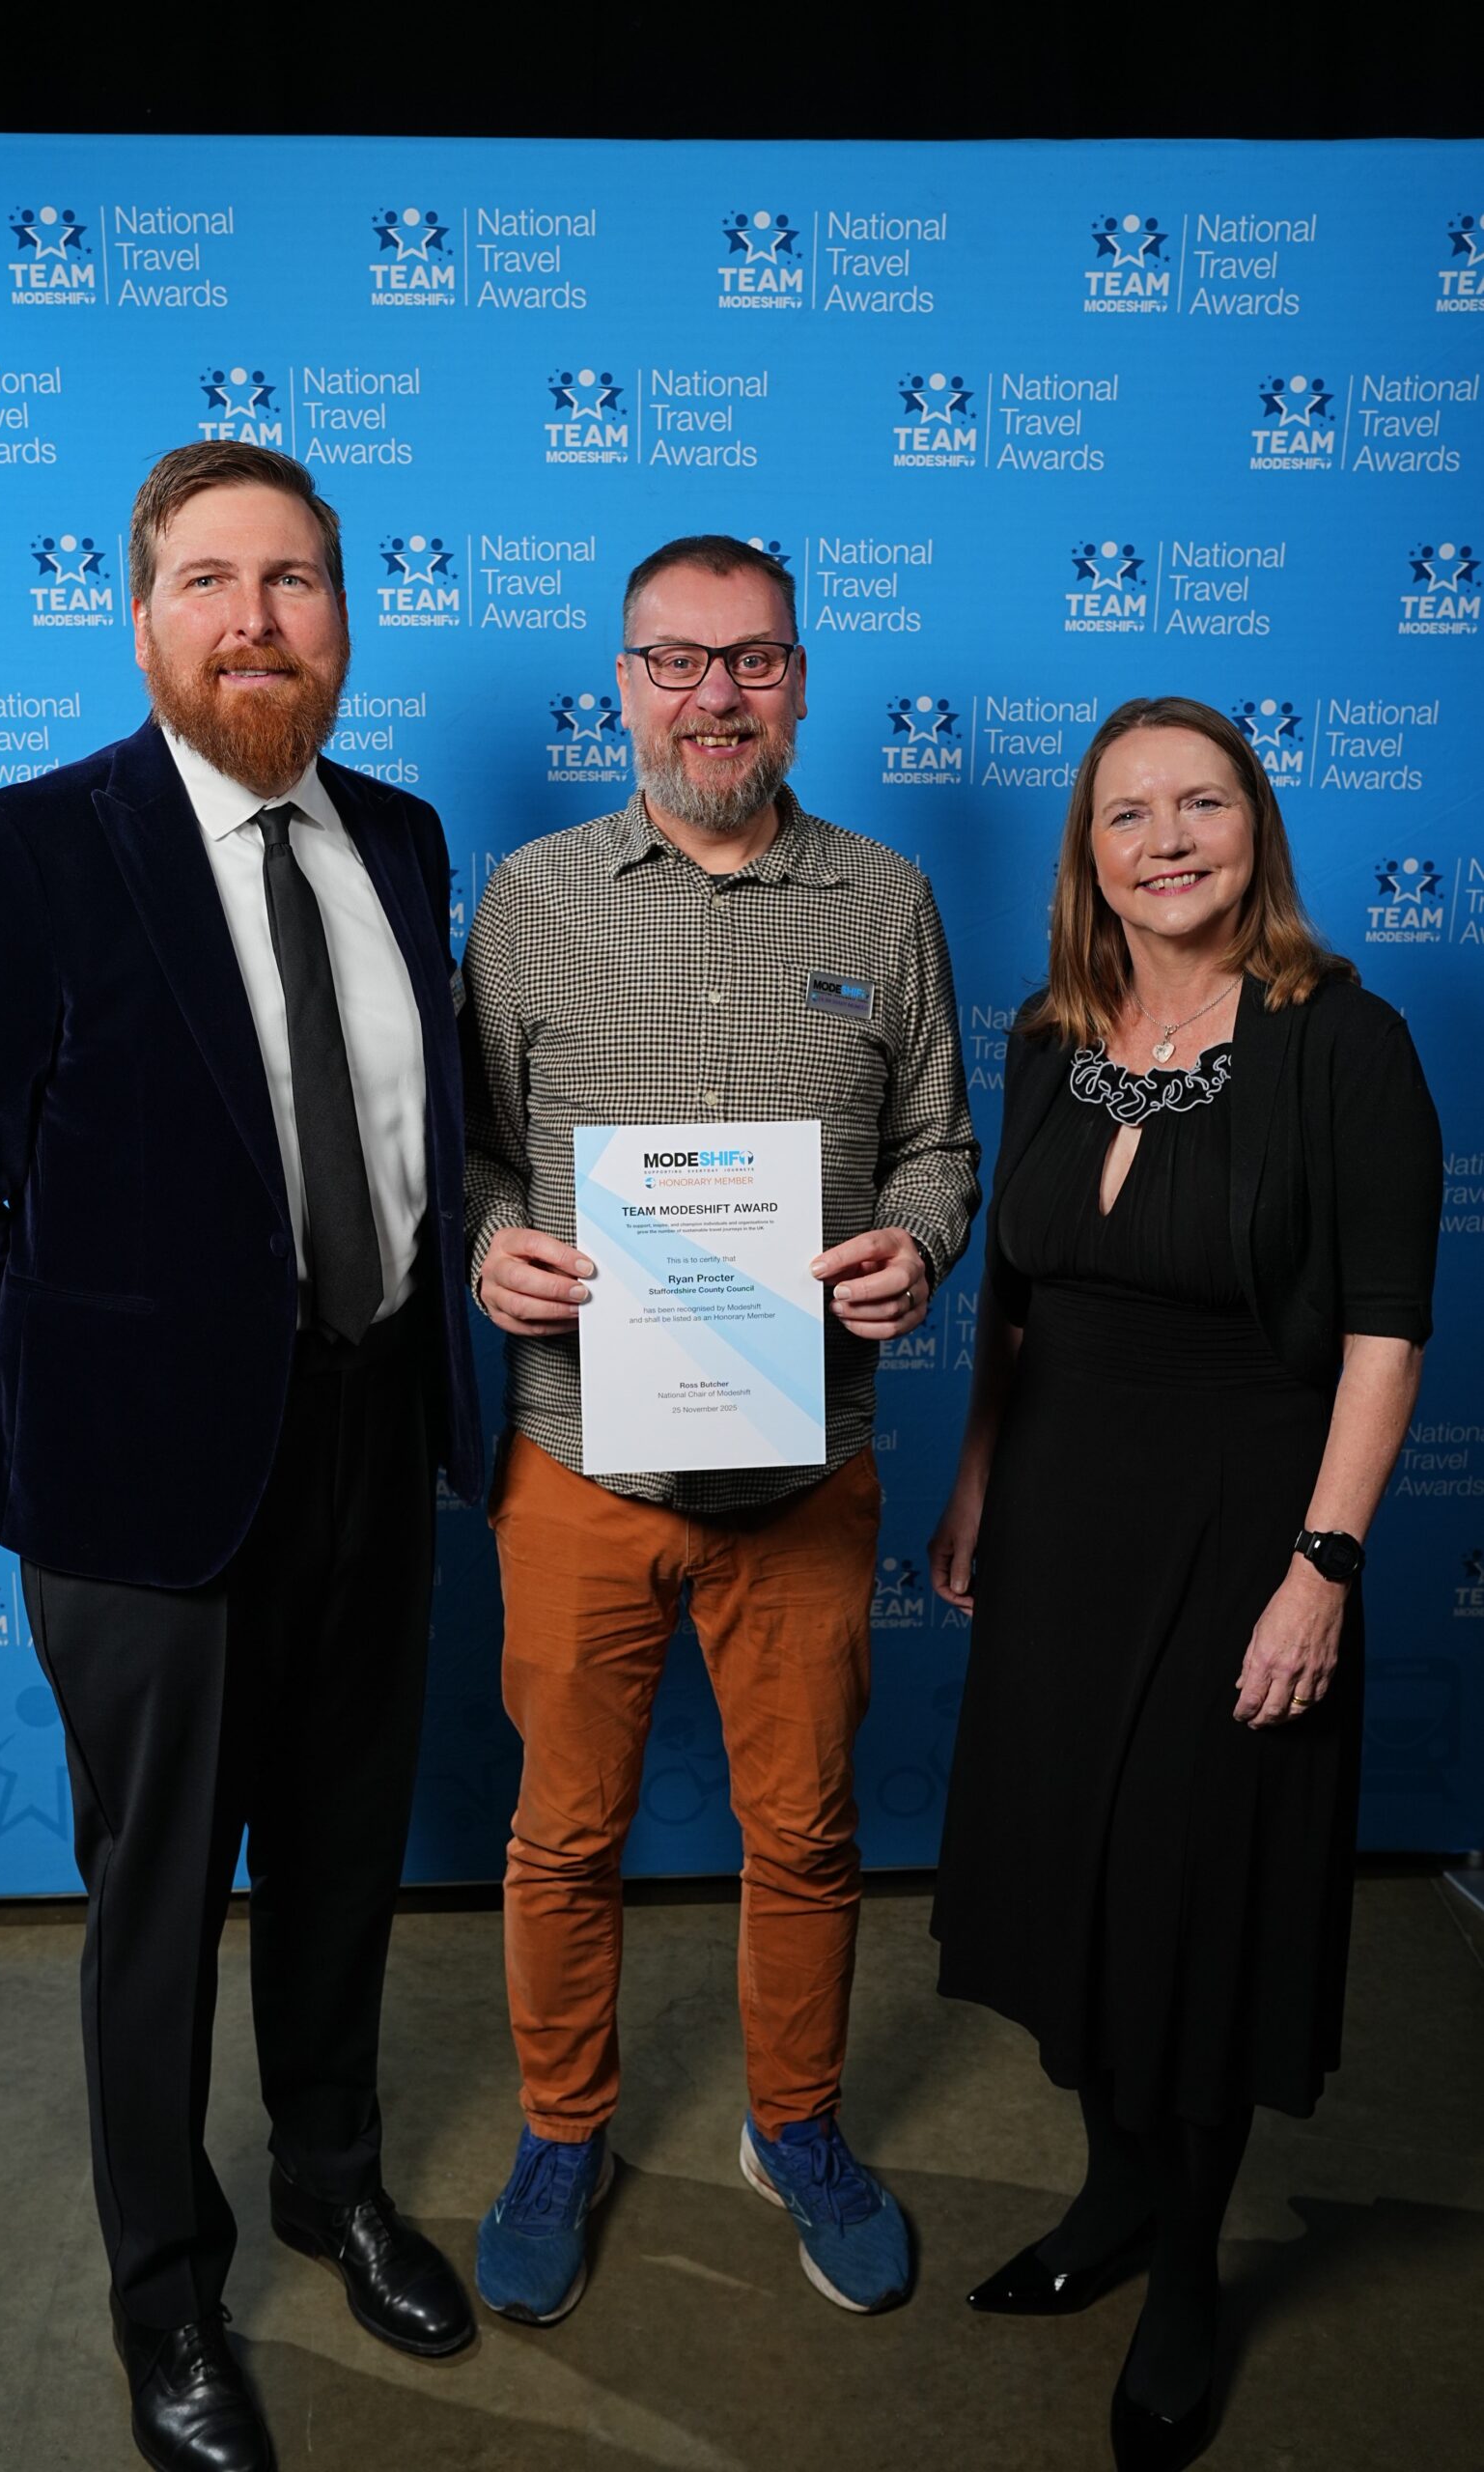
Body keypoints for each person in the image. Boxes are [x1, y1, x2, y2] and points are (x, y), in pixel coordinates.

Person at [0, 443, 481, 2472]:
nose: (254, 620)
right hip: (138, 1487)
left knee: (338, 1857)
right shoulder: (37, 848)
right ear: (138, 614)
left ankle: (332, 2172)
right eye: (210, 580)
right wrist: (46, 1393)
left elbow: (408, 1148)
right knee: (158, 1904)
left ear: (341, 613)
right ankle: (166, 2295)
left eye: (293, 580)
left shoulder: (397, 837)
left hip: (369, 1432)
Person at [462, 533, 980, 2324]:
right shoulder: (529, 897)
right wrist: (488, 1248)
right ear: (623, 683)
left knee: (809, 1830)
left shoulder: (884, 898)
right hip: (578, 1458)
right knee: (560, 1836)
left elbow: (938, 1144)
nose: (714, 697)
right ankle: (561, 2129)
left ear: (801, 680)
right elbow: (471, 1157)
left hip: (807, 1463)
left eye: (751, 660)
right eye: (676, 662)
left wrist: (916, 1242)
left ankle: (798, 2123)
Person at [928, 696, 1441, 2472]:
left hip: (1249, 1522)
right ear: (1088, 853)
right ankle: (1113, 2192)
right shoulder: (1050, 1039)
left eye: (1200, 804)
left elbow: (1385, 1335)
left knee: (1194, 1906)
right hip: (1062, 1516)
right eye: (1127, 812)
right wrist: (977, 1480)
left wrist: (1323, 1570)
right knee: (1070, 1881)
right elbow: (1018, 1300)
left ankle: (1190, 2275)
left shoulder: (1344, 1042)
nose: (1166, 838)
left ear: (1256, 828)